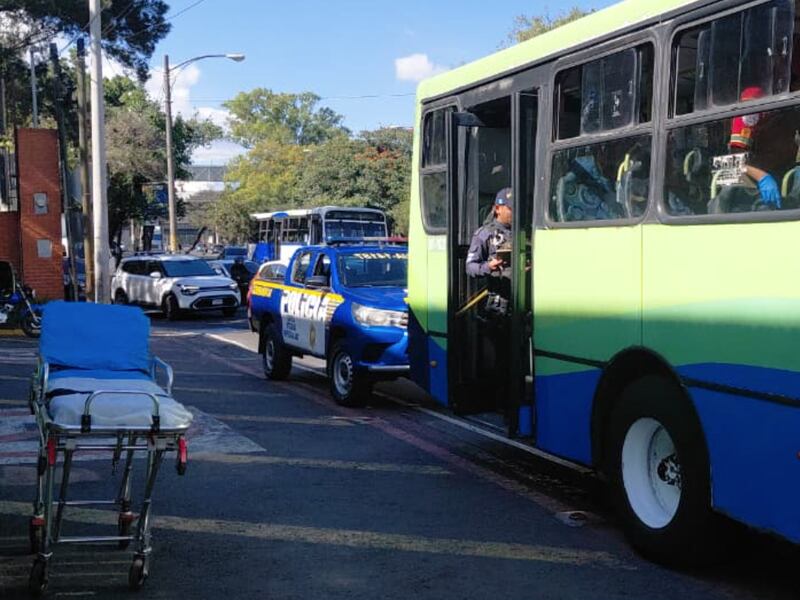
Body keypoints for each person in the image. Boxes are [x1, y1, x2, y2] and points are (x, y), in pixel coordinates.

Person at [465, 187, 513, 315]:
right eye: (510, 208)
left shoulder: (522, 233)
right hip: (499, 304)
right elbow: (470, 267)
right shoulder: (485, 234)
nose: (514, 212)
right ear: (497, 209)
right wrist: (488, 267)